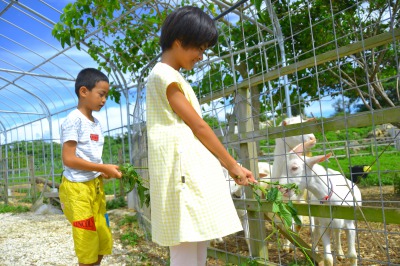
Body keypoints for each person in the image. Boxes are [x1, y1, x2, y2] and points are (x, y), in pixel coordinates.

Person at [146, 6, 257, 266]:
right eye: (199, 47)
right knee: (186, 247)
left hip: (184, 172)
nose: (201, 55)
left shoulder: (170, 76)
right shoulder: (164, 76)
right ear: (179, 41)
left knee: (194, 244)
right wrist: (233, 165)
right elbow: (199, 127)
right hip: (182, 175)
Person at [59, 68, 122, 266]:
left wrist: (100, 171)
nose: (104, 100)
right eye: (101, 94)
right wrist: (102, 168)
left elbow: (90, 155)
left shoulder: (96, 124)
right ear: (84, 91)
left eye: (106, 96)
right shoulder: (73, 120)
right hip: (77, 189)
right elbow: (69, 159)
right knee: (86, 240)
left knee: (101, 236)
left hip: (94, 186)